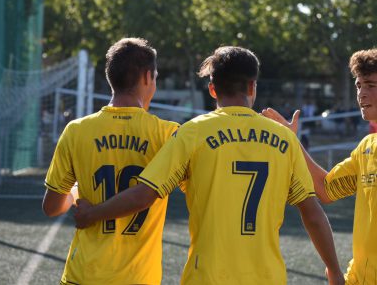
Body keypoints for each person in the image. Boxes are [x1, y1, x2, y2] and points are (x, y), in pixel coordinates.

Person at [74, 46, 344, 284]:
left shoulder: (193, 133)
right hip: (267, 277)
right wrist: (334, 270)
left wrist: (93, 214)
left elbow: (144, 194)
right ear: (252, 87)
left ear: (212, 89)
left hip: (207, 277)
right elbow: (312, 213)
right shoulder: (284, 138)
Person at [42, 37, 179, 284]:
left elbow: (51, 207)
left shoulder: (77, 130)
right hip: (139, 278)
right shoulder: (168, 134)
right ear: (148, 77)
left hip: (83, 274)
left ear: (110, 78)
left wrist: (75, 192)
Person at [262, 48, 377, 285]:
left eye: (371, 86)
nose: (362, 94)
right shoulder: (367, 146)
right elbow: (326, 189)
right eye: (358, 86)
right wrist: (292, 142)